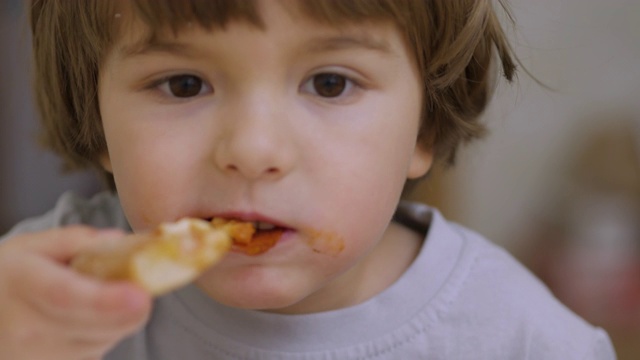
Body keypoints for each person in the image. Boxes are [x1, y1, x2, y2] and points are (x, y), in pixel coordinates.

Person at [0, 0, 616, 359]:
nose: (252, 150)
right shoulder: (47, 291)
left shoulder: (520, 340)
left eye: (330, 83)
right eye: (184, 84)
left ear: (423, 126)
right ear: (99, 115)